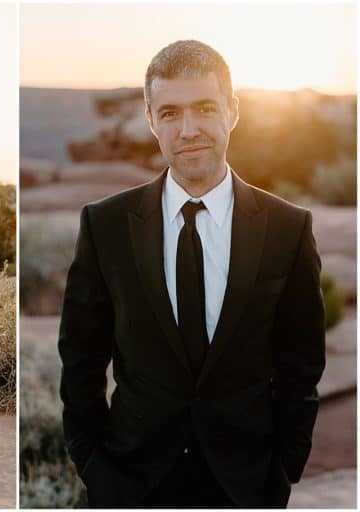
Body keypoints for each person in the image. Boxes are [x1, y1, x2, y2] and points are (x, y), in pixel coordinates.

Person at [58, 39, 325, 507]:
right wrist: (92, 464)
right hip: (129, 483)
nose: (188, 130)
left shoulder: (288, 228)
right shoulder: (105, 225)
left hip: (246, 487)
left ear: (233, 111)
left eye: (204, 108)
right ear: (150, 120)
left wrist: (285, 467)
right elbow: (80, 357)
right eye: (169, 113)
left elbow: (301, 363)